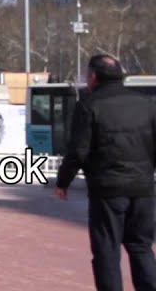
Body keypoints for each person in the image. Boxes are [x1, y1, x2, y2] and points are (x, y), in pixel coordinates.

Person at [55, 54, 156, 291]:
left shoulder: (89, 106)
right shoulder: (147, 105)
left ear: (93, 77)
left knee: (107, 251)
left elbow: (78, 150)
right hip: (143, 189)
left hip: (108, 191)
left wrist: (63, 181)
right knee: (141, 246)